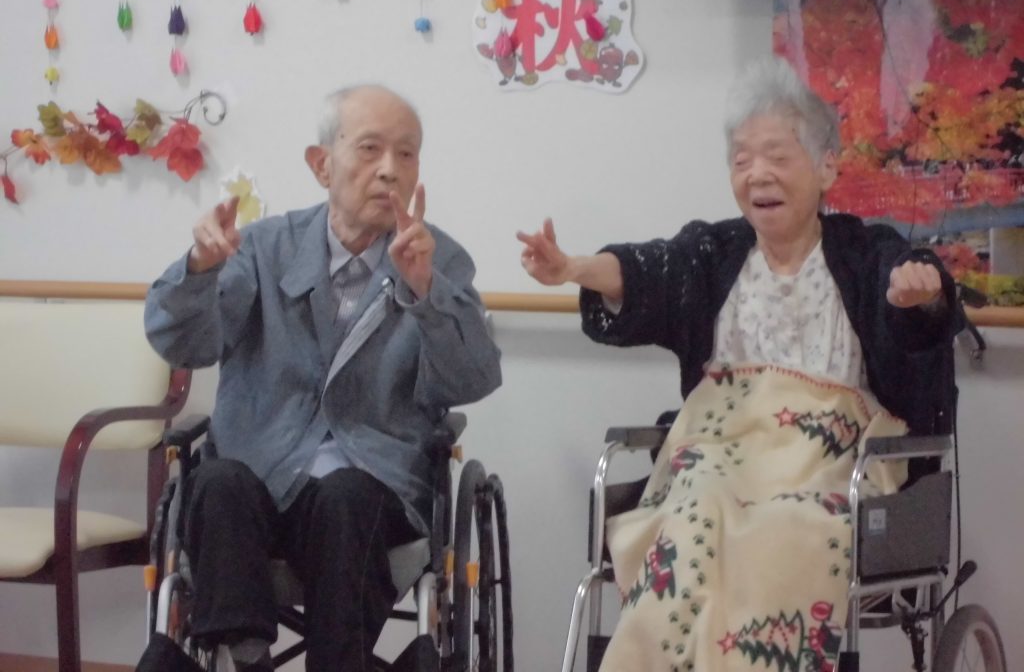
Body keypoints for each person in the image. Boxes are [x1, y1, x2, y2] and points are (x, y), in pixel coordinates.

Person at [518, 58, 962, 672]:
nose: (758, 175)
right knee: (688, 523)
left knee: (785, 533)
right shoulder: (714, 253)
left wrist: (922, 295)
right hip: (717, 453)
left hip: (827, 463)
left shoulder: (866, 253)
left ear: (827, 166)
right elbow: (646, 273)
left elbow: (916, 308)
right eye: (741, 159)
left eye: (777, 156)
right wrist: (573, 269)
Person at [144, 85, 502, 672]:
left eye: (407, 154)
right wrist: (199, 271)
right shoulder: (263, 248)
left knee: (345, 495)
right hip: (260, 479)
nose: (390, 170)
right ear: (322, 165)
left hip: (371, 493)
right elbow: (184, 343)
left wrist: (427, 293)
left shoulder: (439, 260)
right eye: (370, 149)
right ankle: (246, 656)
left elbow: (474, 377)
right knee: (217, 481)